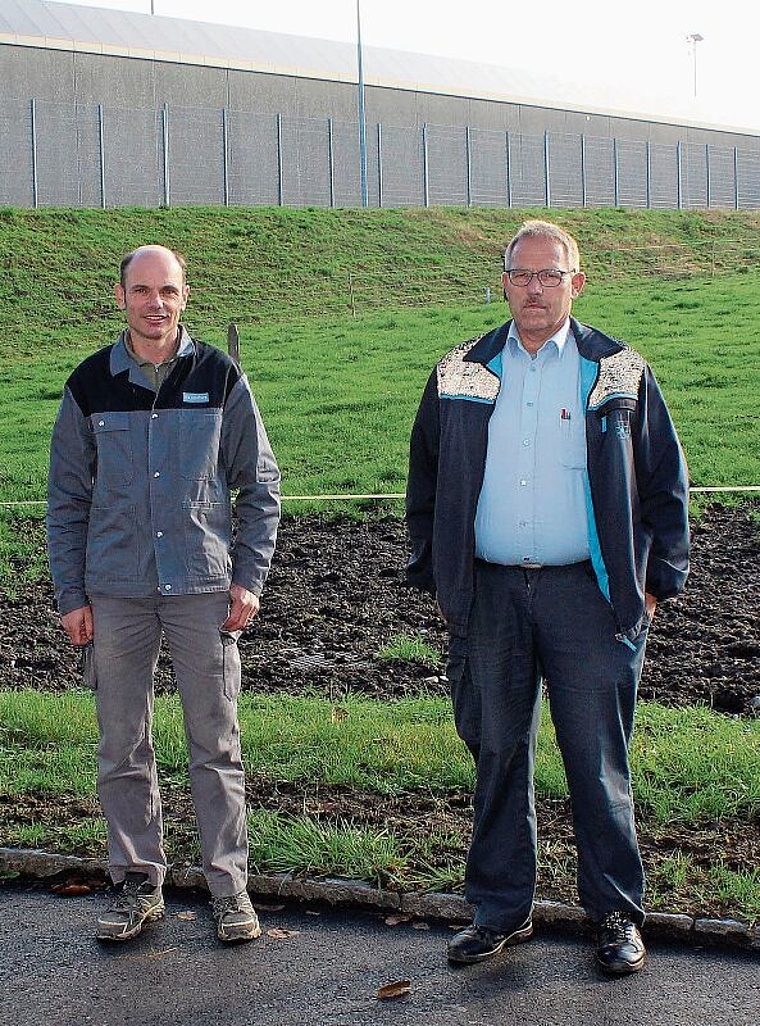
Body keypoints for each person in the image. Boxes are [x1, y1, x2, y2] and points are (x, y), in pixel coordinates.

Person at [405, 220, 689, 974]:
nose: (536, 289)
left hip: (589, 601)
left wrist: (655, 586)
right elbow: (426, 478)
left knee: (596, 763)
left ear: (577, 283)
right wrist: (441, 575)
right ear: (503, 281)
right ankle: (500, 909)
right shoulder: (462, 369)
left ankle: (617, 918)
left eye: (550, 276)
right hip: (491, 597)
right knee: (498, 752)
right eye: (522, 275)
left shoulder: (618, 371)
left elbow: (665, 482)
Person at [47, 245, 281, 944]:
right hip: (115, 592)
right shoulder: (90, 384)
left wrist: (249, 578)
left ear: (185, 296)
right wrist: (70, 594)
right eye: (143, 290)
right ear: (119, 296)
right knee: (123, 746)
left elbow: (261, 487)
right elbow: (66, 500)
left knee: (215, 745)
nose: (156, 303)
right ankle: (136, 884)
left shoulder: (219, 377)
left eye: (168, 291)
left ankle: (228, 887)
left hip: (204, 590)